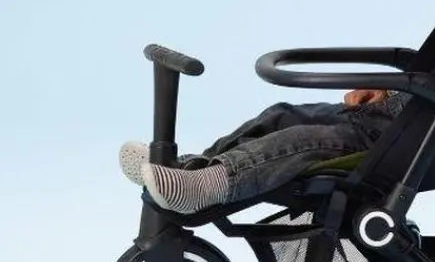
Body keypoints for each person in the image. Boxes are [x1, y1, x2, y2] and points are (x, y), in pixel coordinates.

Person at [117, 86, 411, 214]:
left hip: (393, 142)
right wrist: (388, 91)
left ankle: (208, 186)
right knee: (281, 115)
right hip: (390, 113)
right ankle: (193, 168)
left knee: (302, 140)